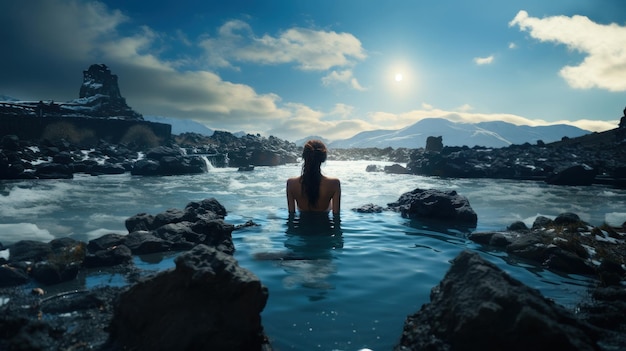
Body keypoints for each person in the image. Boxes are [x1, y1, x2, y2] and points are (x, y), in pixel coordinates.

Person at [286, 140, 341, 215]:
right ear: (323, 159)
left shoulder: (291, 183)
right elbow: (336, 216)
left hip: (302, 225)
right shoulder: (334, 183)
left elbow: (291, 214)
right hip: (324, 224)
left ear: (304, 157)